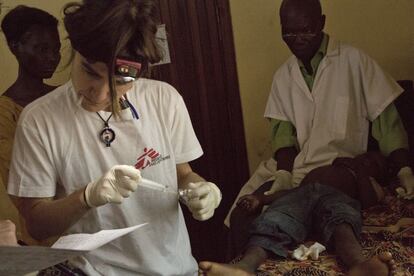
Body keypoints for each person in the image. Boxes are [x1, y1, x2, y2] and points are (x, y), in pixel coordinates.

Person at [7, 0, 222, 275]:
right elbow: (36, 224)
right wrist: (85, 198)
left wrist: (201, 189)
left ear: (137, 75)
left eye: (119, 83)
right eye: (89, 73)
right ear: (75, 52)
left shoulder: (164, 100)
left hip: (176, 268)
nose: (99, 94)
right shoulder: (39, 120)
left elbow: (182, 174)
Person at [224, 0, 413, 262]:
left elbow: (388, 123)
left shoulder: (354, 61)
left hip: (341, 169)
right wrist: (283, 173)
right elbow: (283, 136)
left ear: (322, 23)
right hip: (296, 168)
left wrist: (403, 168)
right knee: (240, 215)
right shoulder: (283, 76)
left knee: (324, 197)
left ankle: (355, 261)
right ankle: (242, 263)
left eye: (305, 30)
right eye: (288, 32)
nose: (296, 39)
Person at [199, 152, 398, 275]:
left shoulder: (367, 180)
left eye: (374, 162)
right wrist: (263, 199)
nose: (365, 159)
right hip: (303, 194)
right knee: (273, 222)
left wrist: (362, 172)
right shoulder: (328, 168)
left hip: (336, 198)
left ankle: (359, 265)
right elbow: (290, 193)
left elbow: (371, 200)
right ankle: (245, 267)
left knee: (342, 224)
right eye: (365, 157)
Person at [0, 5, 61, 245]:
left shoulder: (64, 97)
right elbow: (18, 179)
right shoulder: (6, 112)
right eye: (41, 49)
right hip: (39, 230)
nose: (52, 57)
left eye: (56, 49)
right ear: (15, 48)